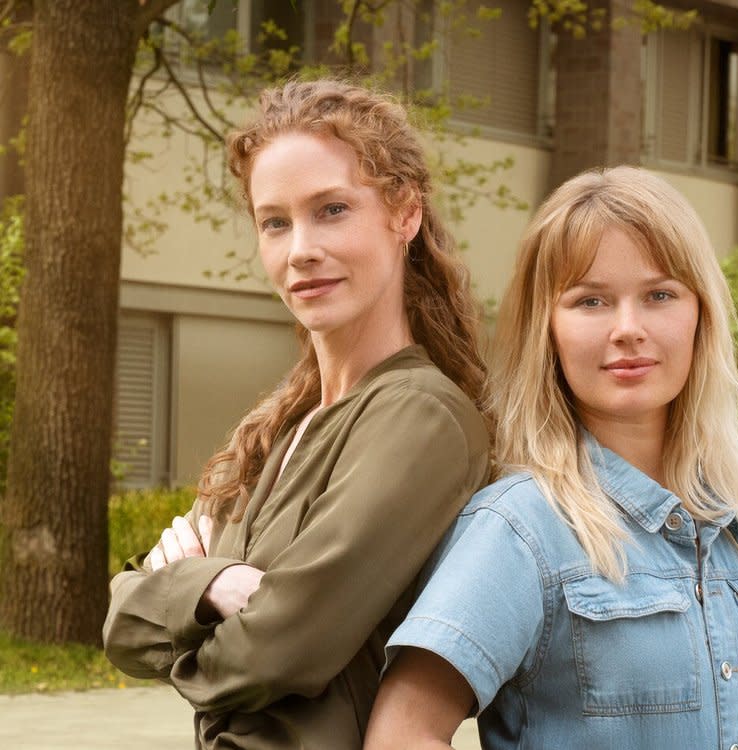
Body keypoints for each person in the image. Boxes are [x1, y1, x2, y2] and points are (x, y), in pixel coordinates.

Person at [102, 78, 491, 749]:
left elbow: (276, 653)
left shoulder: (422, 417)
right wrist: (215, 583)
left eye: (331, 210)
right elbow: (117, 622)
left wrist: (180, 592)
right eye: (274, 222)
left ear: (405, 214)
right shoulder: (282, 425)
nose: (299, 249)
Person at [364, 166, 738, 750]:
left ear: (702, 316)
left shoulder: (737, 535)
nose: (628, 329)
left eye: (660, 295)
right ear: (548, 330)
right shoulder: (521, 528)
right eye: (590, 301)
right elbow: (402, 735)